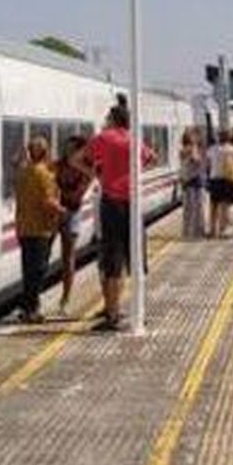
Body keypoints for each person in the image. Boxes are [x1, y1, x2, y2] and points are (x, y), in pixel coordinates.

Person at [86, 104, 156, 331]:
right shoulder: (135, 140)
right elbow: (152, 158)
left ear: (113, 119)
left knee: (113, 262)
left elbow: (79, 158)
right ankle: (139, 311)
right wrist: (134, 172)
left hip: (111, 203)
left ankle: (113, 315)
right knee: (135, 258)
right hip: (133, 202)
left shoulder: (104, 138)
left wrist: (98, 173)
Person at [14, 135, 65, 323]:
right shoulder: (43, 174)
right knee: (38, 270)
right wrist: (63, 211)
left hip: (23, 227)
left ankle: (27, 307)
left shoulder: (23, 172)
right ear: (45, 153)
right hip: (40, 229)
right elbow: (48, 202)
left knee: (28, 270)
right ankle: (32, 309)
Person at [53, 134, 93, 317]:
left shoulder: (85, 170)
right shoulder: (58, 165)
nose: (68, 151)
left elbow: (78, 194)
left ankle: (65, 299)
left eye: (72, 148)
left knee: (68, 256)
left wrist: (60, 195)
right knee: (45, 253)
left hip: (72, 213)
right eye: (67, 147)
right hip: (54, 213)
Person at [207, 129, 233, 238]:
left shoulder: (212, 149)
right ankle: (223, 230)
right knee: (225, 207)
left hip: (214, 180)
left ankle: (212, 230)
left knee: (213, 206)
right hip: (228, 180)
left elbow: (208, 165)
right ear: (229, 138)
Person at [179, 128, 206, 239]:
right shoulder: (190, 150)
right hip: (194, 181)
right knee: (197, 208)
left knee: (188, 209)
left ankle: (186, 232)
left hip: (186, 182)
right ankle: (197, 232)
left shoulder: (182, 150)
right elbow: (197, 160)